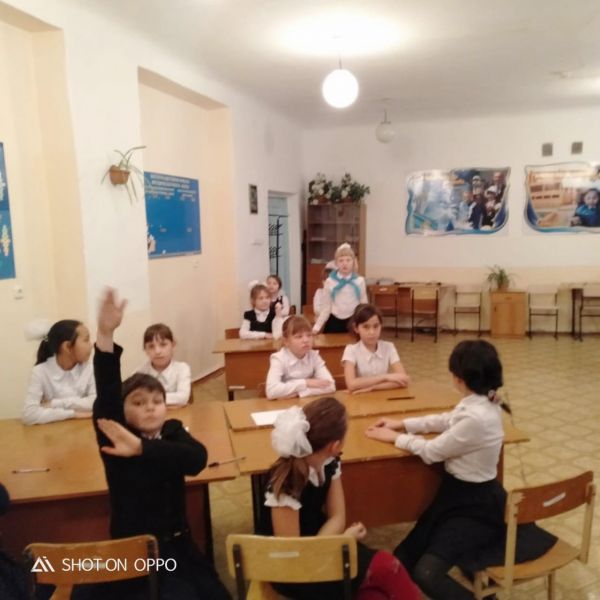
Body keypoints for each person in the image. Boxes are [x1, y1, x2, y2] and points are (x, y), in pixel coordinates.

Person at [365, 340, 557, 600]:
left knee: (426, 573)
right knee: (404, 557)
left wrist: (394, 437)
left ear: (459, 379)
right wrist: (403, 424)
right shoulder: (481, 401)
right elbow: (448, 420)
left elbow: (432, 451)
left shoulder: (477, 416)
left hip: (475, 504)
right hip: (456, 494)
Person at [92, 289, 231, 600]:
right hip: (138, 553)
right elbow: (107, 392)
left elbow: (196, 459)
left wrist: (143, 449)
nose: (151, 407)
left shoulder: (171, 430)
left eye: (157, 401)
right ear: (123, 411)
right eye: (139, 402)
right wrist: (105, 334)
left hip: (178, 545)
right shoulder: (116, 437)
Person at [260, 397, 420, 600]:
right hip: (294, 570)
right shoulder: (287, 484)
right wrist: (342, 541)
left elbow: (337, 517)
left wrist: (333, 543)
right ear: (335, 445)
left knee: (374, 595)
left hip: (321, 544)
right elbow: (294, 558)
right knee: (388, 567)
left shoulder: (329, 461)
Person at [22, 319, 95, 425]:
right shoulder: (40, 371)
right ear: (67, 347)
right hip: (51, 432)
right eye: (86, 340)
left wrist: (54, 404)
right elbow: (29, 415)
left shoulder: (90, 368)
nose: (91, 345)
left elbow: (97, 402)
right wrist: (73, 414)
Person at [343, 304, 410, 394]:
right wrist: (386, 377)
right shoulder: (351, 350)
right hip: (360, 397)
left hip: (381, 395)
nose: (372, 332)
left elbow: (404, 379)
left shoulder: (389, 347)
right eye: (366, 327)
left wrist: (373, 388)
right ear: (356, 328)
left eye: (376, 326)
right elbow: (351, 384)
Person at [266, 316, 335, 400]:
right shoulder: (279, 358)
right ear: (286, 341)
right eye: (299, 337)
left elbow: (331, 386)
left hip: (306, 402)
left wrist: (300, 394)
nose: (306, 340)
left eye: (309, 335)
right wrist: (306, 383)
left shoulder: (314, 356)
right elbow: (271, 391)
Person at [312, 244, 368, 334]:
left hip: (353, 321)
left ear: (353, 262)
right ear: (336, 263)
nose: (344, 263)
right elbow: (326, 308)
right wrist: (317, 327)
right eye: (341, 260)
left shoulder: (359, 281)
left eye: (348, 260)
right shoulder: (330, 282)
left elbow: (364, 305)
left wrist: (366, 324)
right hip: (334, 322)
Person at [137, 323, 191, 407]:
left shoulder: (182, 368)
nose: (157, 351)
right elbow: (136, 399)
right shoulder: (140, 373)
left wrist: (149, 399)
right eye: (151, 346)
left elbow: (183, 398)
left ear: (173, 345)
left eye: (163, 344)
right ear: (145, 350)